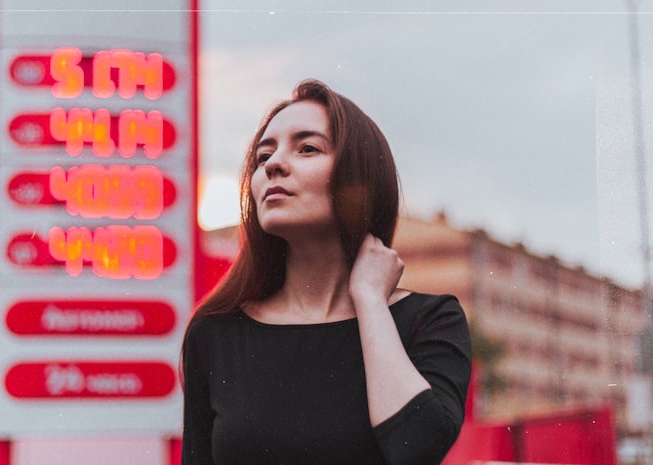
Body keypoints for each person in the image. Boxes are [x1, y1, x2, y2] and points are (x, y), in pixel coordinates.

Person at [181, 79, 472, 465]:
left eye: (307, 148)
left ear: (359, 182)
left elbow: (417, 449)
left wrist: (370, 300)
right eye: (263, 156)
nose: (273, 165)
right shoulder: (215, 334)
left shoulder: (430, 321)